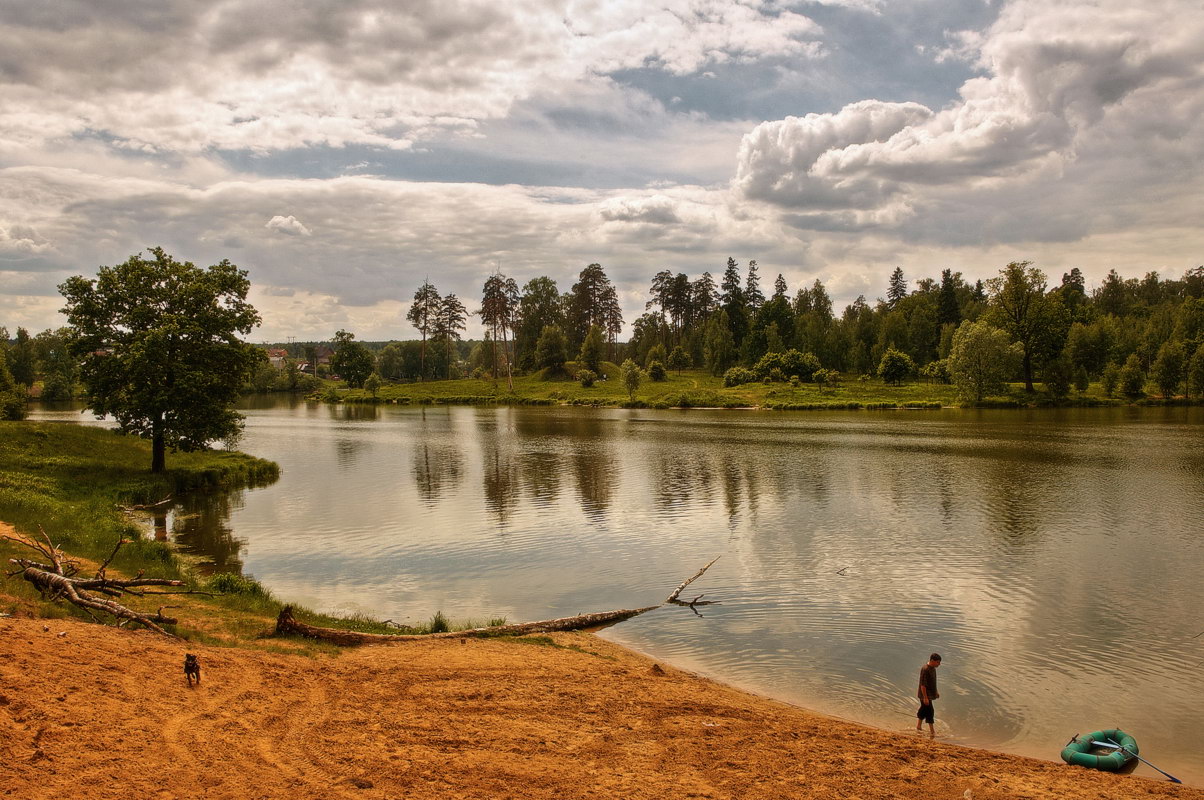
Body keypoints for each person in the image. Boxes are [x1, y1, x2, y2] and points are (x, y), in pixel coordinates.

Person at [916, 652, 942, 738]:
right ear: (932, 661)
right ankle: (932, 731)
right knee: (930, 711)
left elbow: (933, 682)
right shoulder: (925, 669)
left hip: (930, 694)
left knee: (924, 710)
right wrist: (925, 698)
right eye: (937, 662)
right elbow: (923, 685)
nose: (939, 664)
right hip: (925, 695)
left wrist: (936, 691)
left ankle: (918, 726)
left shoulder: (933, 669)